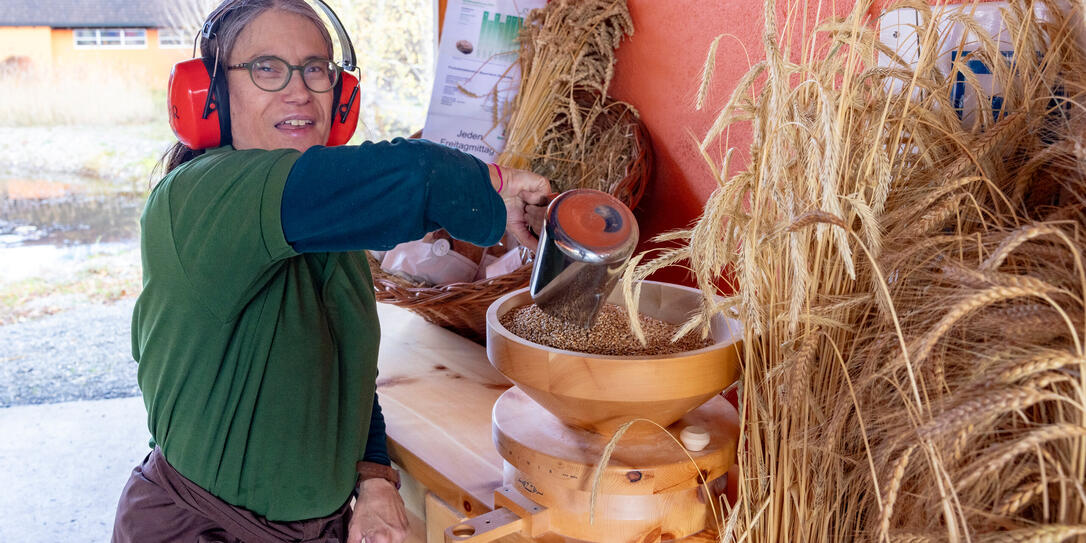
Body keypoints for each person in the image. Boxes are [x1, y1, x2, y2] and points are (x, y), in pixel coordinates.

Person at [111, 1, 552, 542]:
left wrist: (375, 478)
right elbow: (414, 171)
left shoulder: (327, 226)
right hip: (204, 528)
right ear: (212, 95)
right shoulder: (199, 195)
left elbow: (346, 370)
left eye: (316, 68)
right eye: (267, 68)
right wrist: (497, 187)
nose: (299, 90)